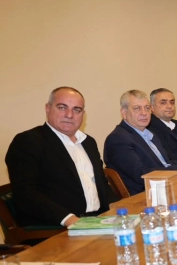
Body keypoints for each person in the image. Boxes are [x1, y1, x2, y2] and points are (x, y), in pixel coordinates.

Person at [5, 87, 115, 228]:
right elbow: (25, 194)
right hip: (55, 227)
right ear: (48, 108)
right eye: (62, 107)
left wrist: (120, 210)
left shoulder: (88, 142)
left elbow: (102, 184)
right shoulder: (28, 141)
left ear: (83, 114)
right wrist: (71, 220)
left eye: (77, 110)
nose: (69, 115)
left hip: (99, 220)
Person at [103, 90, 177, 195]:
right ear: (124, 113)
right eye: (137, 108)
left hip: (166, 186)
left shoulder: (149, 134)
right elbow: (142, 175)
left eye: (147, 108)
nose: (144, 113)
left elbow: (166, 164)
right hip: (146, 196)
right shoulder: (118, 139)